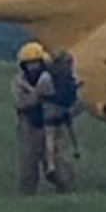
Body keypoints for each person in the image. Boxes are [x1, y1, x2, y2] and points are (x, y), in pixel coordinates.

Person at [12, 42, 73, 194]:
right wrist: (37, 95)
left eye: (35, 64)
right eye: (29, 64)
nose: (32, 68)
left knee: (54, 161)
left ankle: (64, 189)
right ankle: (27, 194)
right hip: (29, 124)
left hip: (52, 123)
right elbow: (20, 103)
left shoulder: (52, 79)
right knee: (28, 161)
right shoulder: (19, 82)